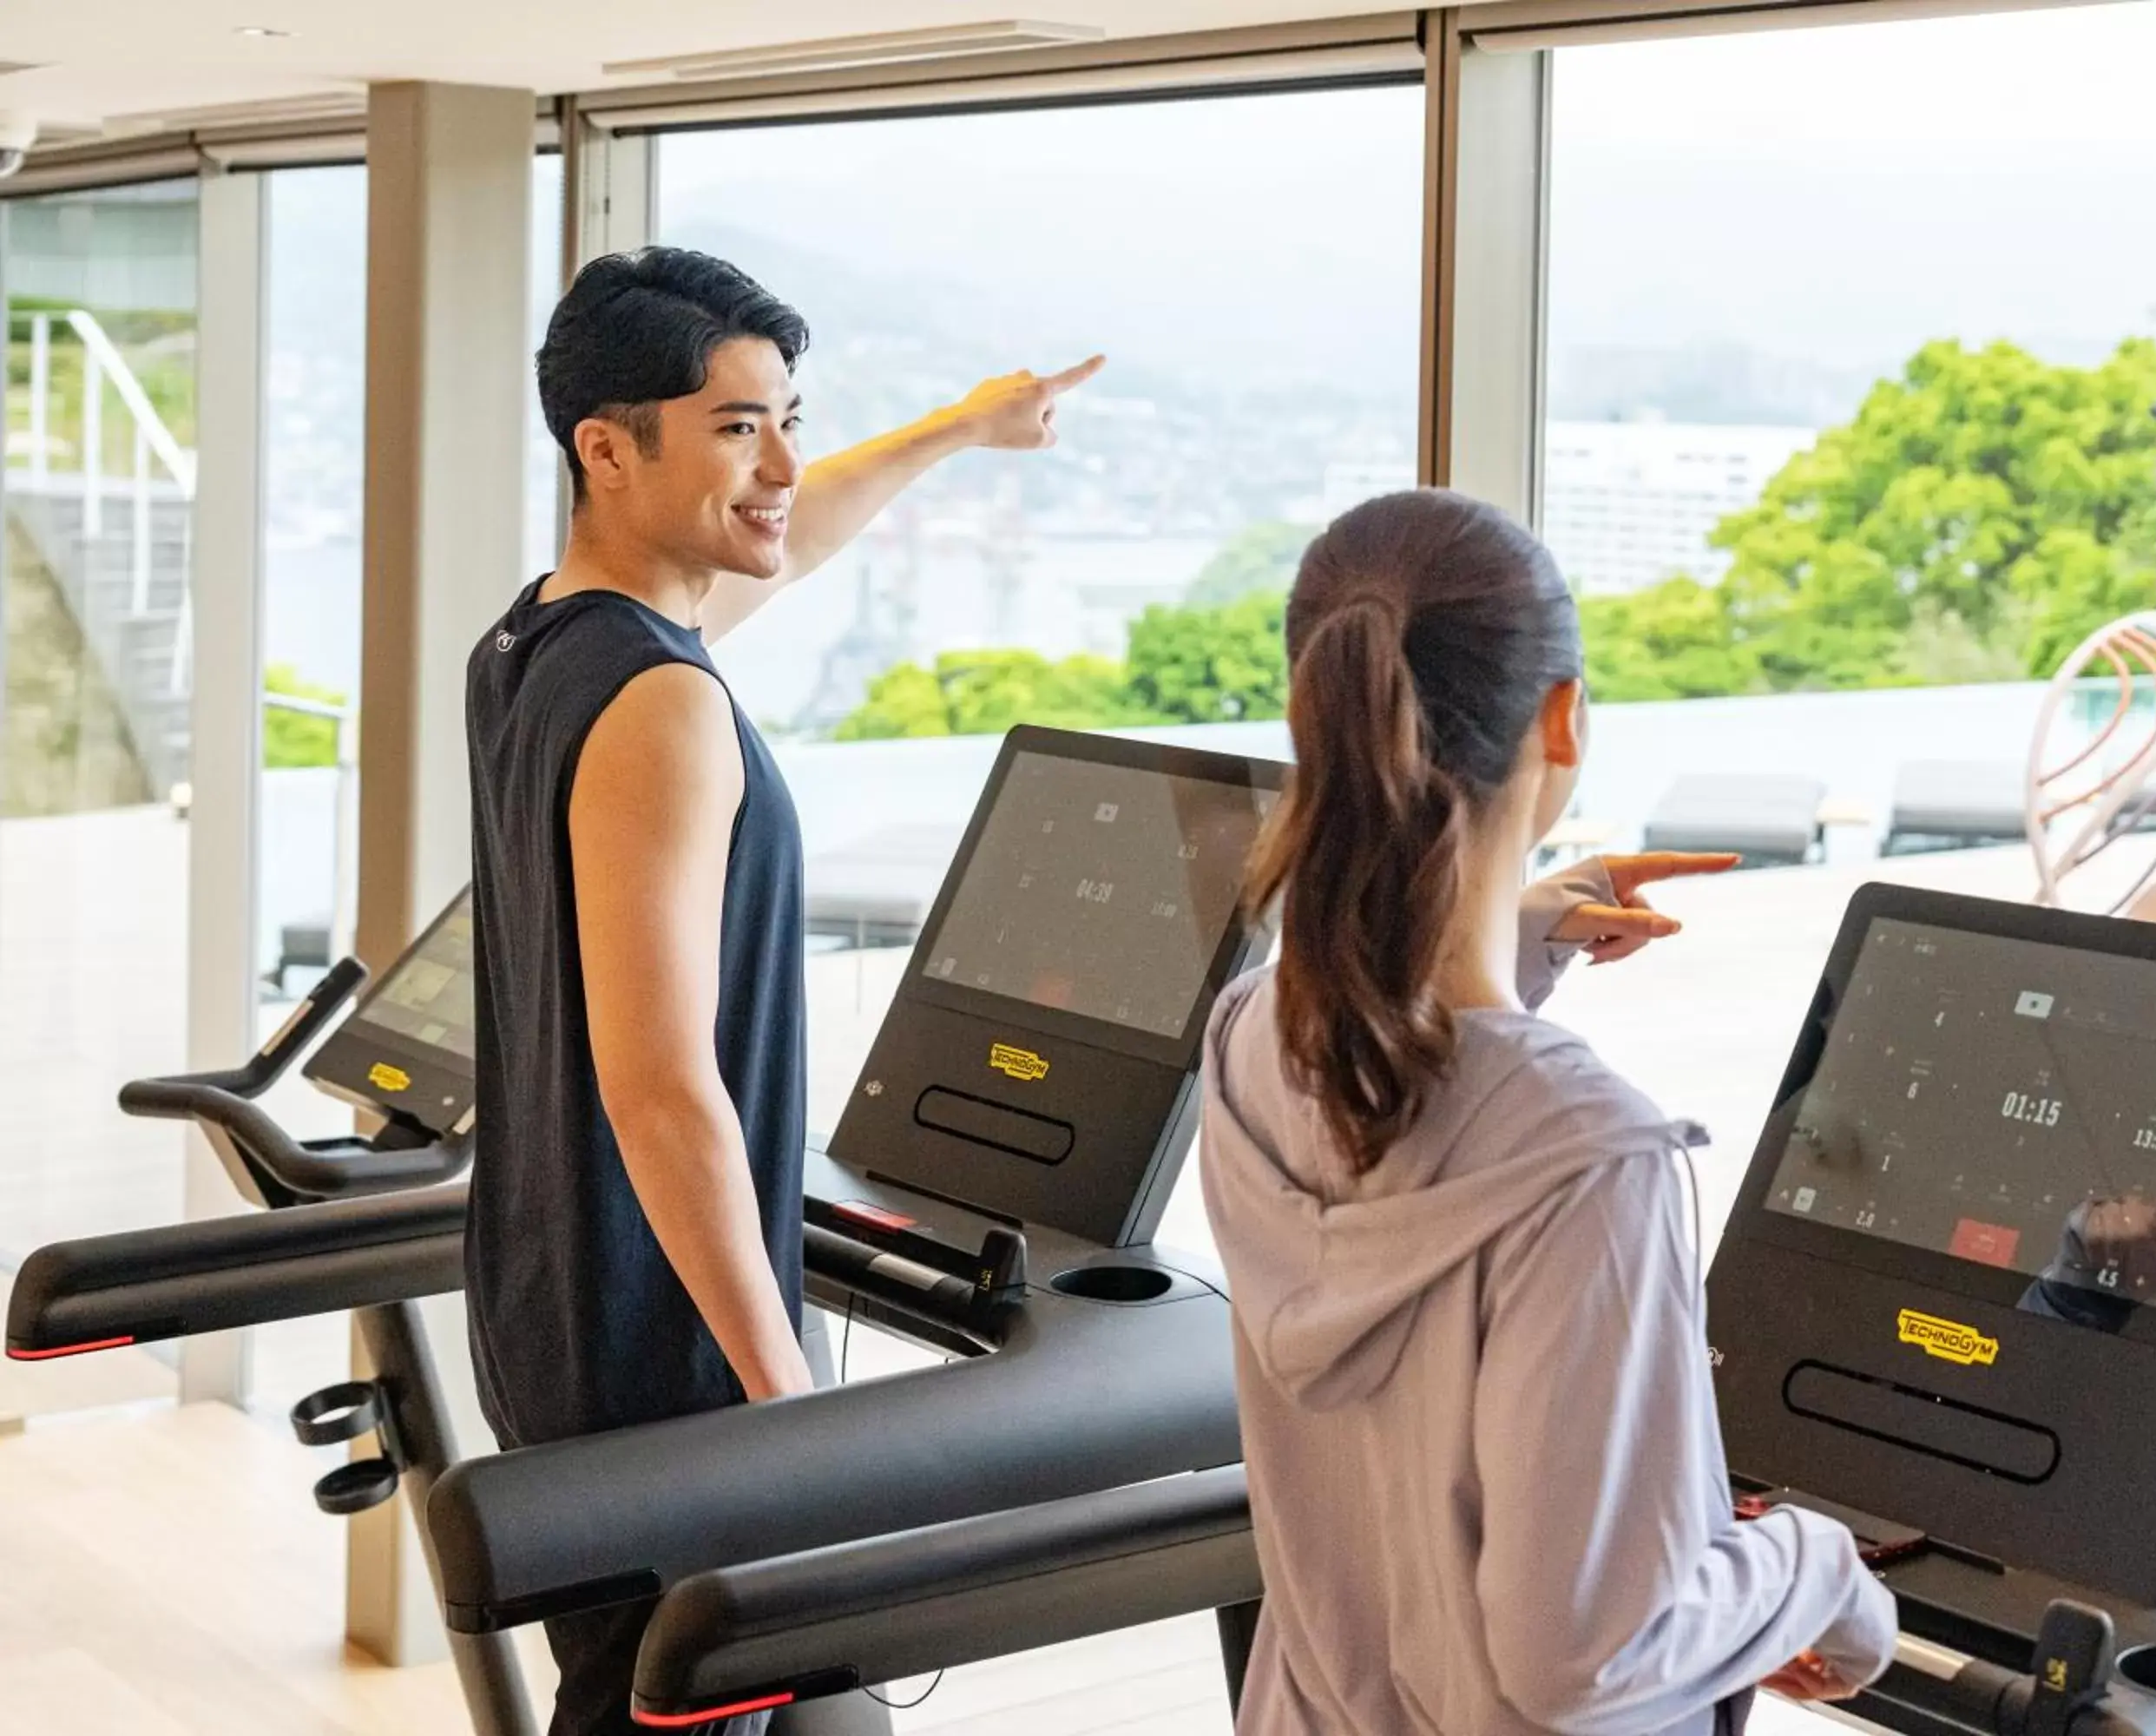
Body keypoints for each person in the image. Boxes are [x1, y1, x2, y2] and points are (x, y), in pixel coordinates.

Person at [464, 245, 1098, 1735]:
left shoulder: (539, 642)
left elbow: (788, 536)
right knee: (668, 1704)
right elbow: (662, 1085)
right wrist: (788, 1400)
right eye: (738, 428)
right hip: (659, 1335)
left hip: (555, 1288)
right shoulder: (665, 709)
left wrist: (959, 428)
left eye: (788, 417)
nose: (780, 463)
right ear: (606, 450)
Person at [1200, 489, 1898, 1734]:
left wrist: (1515, 931)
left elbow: (1402, 1093)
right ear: (1562, 719)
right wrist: (1818, 1576)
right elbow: (1589, 1652)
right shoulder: (1588, 1162)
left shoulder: (1253, 1039)